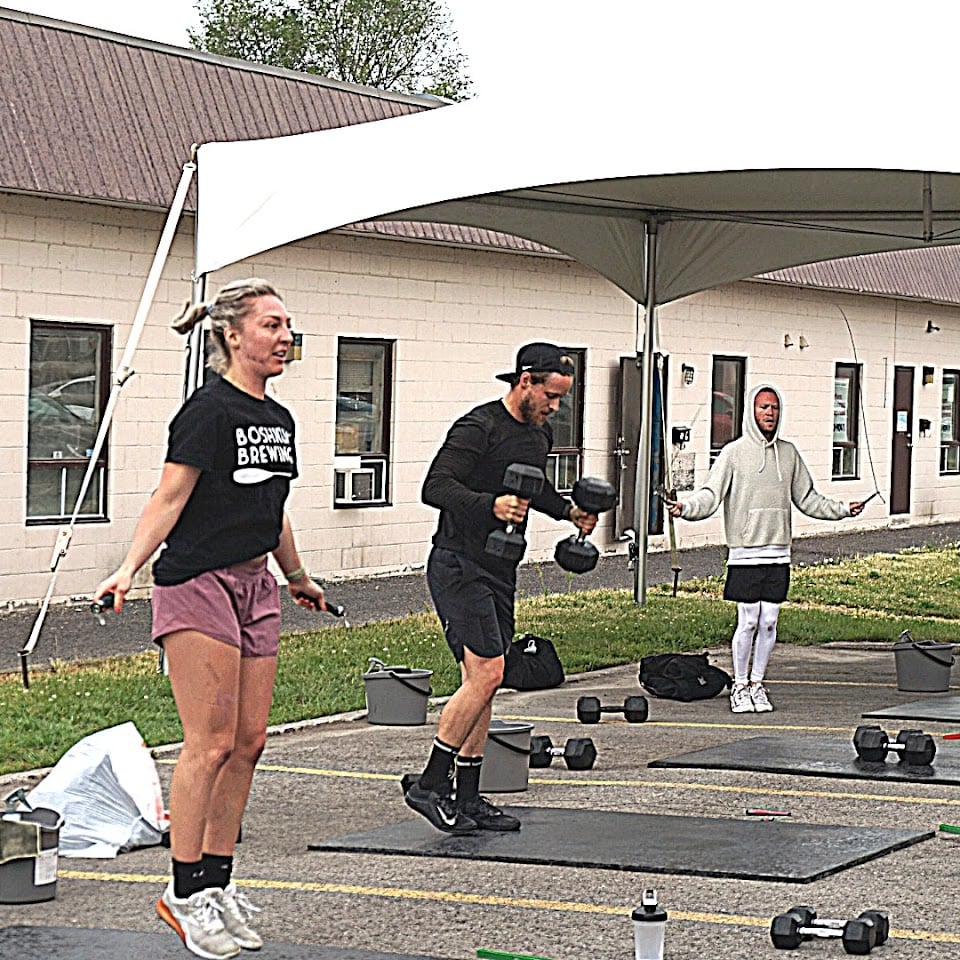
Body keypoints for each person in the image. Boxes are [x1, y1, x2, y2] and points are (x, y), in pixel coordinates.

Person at [94, 278, 327, 959]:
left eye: (288, 327)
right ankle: (184, 892)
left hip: (256, 584)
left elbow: (270, 506)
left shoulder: (278, 420)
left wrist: (298, 576)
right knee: (211, 742)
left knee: (251, 740)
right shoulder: (207, 411)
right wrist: (127, 568)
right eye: (271, 325)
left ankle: (218, 882)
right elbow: (170, 498)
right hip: (196, 583)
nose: (285, 337)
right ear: (233, 335)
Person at [404, 342, 598, 834]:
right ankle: (430, 783)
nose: (556, 407)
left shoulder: (538, 435)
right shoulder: (478, 427)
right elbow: (436, 486)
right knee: (488, 673)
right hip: (457, 563)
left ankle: (469, 797)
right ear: (526, 381)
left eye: (562, 400)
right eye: (551, 396)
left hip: (499, 569)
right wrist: (490, 506)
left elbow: (536, 489)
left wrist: (568, 512)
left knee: (486, 681)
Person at [666, 383, 866, 714]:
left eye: (774, 408)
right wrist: (685, 508)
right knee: (748, 621)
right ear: (751, 412)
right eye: (763, 408)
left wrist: (844, 509)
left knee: (769, 621)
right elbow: (710, 495)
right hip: (745, 552)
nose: (769, 413)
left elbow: (808, 498)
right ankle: (739, 685)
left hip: (778, 553)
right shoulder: (733, 453)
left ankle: (757, 683)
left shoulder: (788, 454)